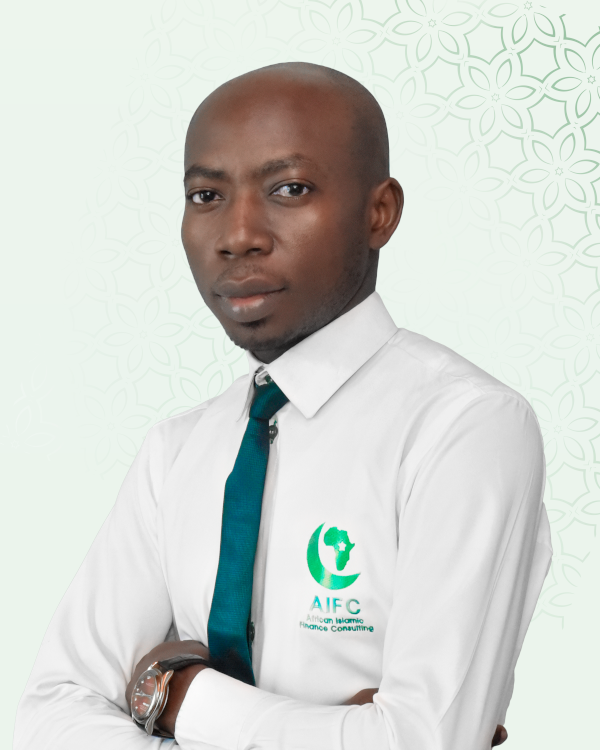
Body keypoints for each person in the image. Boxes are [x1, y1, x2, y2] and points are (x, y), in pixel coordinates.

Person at [14, 62, 552, 750]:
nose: (238, 234)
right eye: (206, 195)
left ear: (379, 213)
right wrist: (334, 729)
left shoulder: (465, 428)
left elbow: (419, 741)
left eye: (289, 189)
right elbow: (50, 715)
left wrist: (178, 696)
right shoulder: (175, 452)